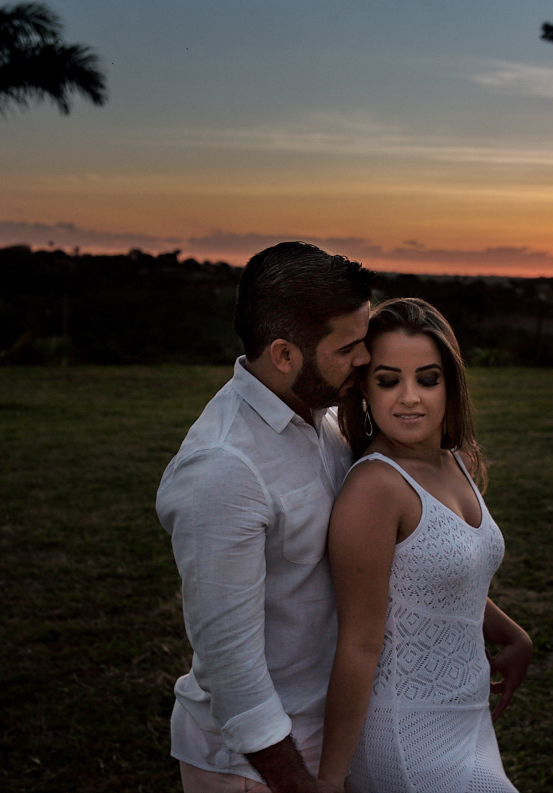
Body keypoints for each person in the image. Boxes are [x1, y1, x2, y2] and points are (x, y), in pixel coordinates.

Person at [156, 242, 375, 793]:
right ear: (283, 355)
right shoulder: (223, 468)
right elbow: (232, 671)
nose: (365, 359)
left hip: (330, 743)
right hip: (256, 771)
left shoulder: (320, 418)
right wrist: (296, 784)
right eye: (348, 347)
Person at [318, 298, 532, 793]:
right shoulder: (376, 488)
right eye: (389, 381)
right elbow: (358, 644)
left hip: (467, 718)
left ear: (450, 385)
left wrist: (513, 635)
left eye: (428, 379)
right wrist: (329, 780)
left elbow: (439, 580)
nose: (410, 398)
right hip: (408, 733)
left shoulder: (451, 460)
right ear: (365, 390)